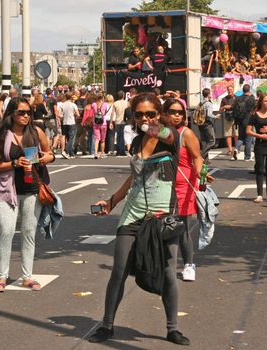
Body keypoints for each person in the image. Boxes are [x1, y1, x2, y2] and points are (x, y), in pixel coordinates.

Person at [88, 92, 190, 346]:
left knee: (168, 272)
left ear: (160, 114)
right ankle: (107, 324)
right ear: (133, 116)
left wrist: (156, 128)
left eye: (151, 114)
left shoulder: (171, 137)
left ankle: (172, 329)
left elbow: (165, 134)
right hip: (133, 213)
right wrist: (112, 201)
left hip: (163, 215)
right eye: (140, 114)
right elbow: (134, 179)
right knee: (119, 270)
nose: (145, 118)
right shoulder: (135, 143)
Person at [0, 97, 55, 292]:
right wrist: (14, 164)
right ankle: (2, 276)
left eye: (28, 112)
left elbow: (50, 153)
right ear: (12, 114)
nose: (26, 116)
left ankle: (27, 276)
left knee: (28, 232)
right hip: (7, 190)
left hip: (32, 188)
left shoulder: (36, 132)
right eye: (22, 112)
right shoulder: (2, 135)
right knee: (6, 231)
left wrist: (45, 158)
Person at [163, 98, 213, 282]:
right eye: (172, 111)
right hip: (162, 184)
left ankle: (189, 264)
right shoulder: (161, 133)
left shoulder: (187, 133)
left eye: (180, 112)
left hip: (183, 185)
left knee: (181, 226)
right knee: (163, 225)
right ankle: (164, 263)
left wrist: (201, 174)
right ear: (164, 113)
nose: (176, 115)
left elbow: (197, 157)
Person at [234, 84, 256, 161]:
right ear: (249, 90)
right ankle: (247, 157)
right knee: (248, 139)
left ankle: (236, 149)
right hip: (249, 120)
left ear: (243, 90)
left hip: (240, 120)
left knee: (241, 136)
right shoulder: (251, 99)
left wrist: (236, 120)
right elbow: (254, 110)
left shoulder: (237, 98)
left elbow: (235, 109)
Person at [219, 86, 237, 160]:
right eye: (228, 90)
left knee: (236, 134)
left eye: (231, 90)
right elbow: (220, 110)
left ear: (233, 90)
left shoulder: (237, 98)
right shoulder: (224, 99)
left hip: (236, 118)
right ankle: (230, 149)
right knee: (228, 134)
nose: (229, 91)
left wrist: (230, 107)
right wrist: (223, 107)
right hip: (228, 118)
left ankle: (236, 149)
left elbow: (239, 107)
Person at [198, 88, 216, 162]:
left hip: (200, 123)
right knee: (212, 141)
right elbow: (209, 114)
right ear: (208, 94)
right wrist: (215, 116)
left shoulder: (201, 102)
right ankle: (201, 156)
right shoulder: (208, 103)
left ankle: (206, 159)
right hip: (207, 123)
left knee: (205, 141)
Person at [60, 92, 79, 158]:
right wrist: (75, 117)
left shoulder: (62, 105)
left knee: (67, 138)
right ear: (71, 97)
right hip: (71, 122)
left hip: (65, 122)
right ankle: (65, 151)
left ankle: (71, 153)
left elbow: (60, 114)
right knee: (71, 138)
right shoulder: (73, 105)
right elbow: (78, 114)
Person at [111, 91, 128, 156]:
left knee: (118, 136)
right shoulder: (126, 103)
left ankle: (118, 150)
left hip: (117, 121)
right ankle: (122, 151)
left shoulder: (115, 103)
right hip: (124, 121)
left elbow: (113, 113)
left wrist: (111, 122)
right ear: (123, 95)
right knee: (123, 136)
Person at [92, 94, 109, 159]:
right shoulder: (105, 104)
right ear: (102, 98)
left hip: (96, 123)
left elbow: (93, 111)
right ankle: (102, 153)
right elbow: (105, 112)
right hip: (103, 123)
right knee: (103, 140)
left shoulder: (94, 104)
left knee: (97, 139)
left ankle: (96, 153)